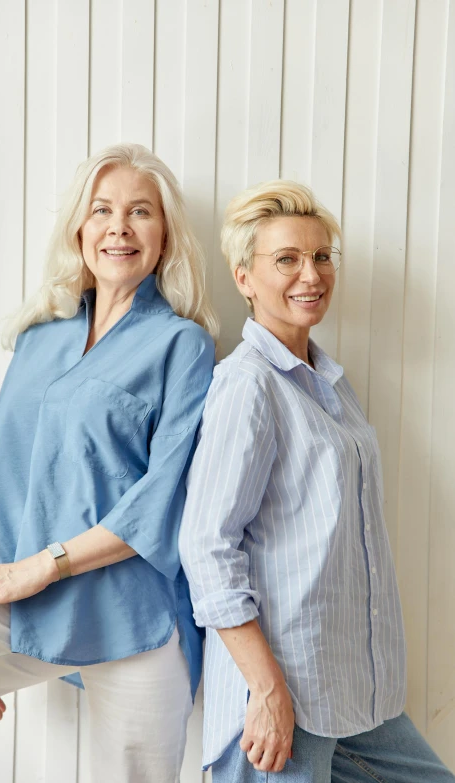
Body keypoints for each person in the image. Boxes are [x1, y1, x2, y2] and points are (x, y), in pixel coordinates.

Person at [0, 143, 217, 783]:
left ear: (165, 235)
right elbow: (10, 480)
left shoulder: (183, 345)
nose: (119, 226)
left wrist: (42, 567)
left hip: (133, 615)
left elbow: (161, 499)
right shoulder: (39, 339)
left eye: (140, 211)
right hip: (24, 596)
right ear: (80, 230)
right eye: (102, 210)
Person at [179, 181, 455, 781]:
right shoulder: (248, 385)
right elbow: (206, 544)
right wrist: (267, 687)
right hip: (280, 701)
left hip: (352, 695)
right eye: (287, 259)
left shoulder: (328, 384)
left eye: (322, 256)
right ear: (244, 278)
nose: (312, 273)